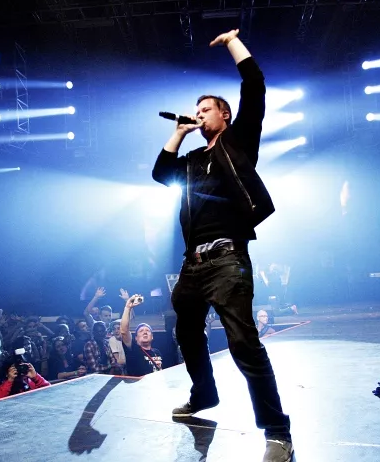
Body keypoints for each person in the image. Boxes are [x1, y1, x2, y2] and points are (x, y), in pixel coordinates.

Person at [151, 28, 292, 461]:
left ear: (224, 114)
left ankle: (277, 432)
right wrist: (179, 132)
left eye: (205, 110)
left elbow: (255, 84)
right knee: (186, 331)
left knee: (243, 343)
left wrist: (232, 42)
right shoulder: (193, 161)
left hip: (228, 257)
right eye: (195, 111)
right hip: (192, 264)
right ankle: (204, 394)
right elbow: (160, 173)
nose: (199, 115)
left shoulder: (238, 140)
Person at [120, 295, 163, 376]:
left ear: (152, 336)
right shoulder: (133, 349)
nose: (145, 332)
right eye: (141, 331)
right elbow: (124, 331)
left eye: (148, 330)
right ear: (136, 338)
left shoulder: (157, 352)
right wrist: (127, 308)